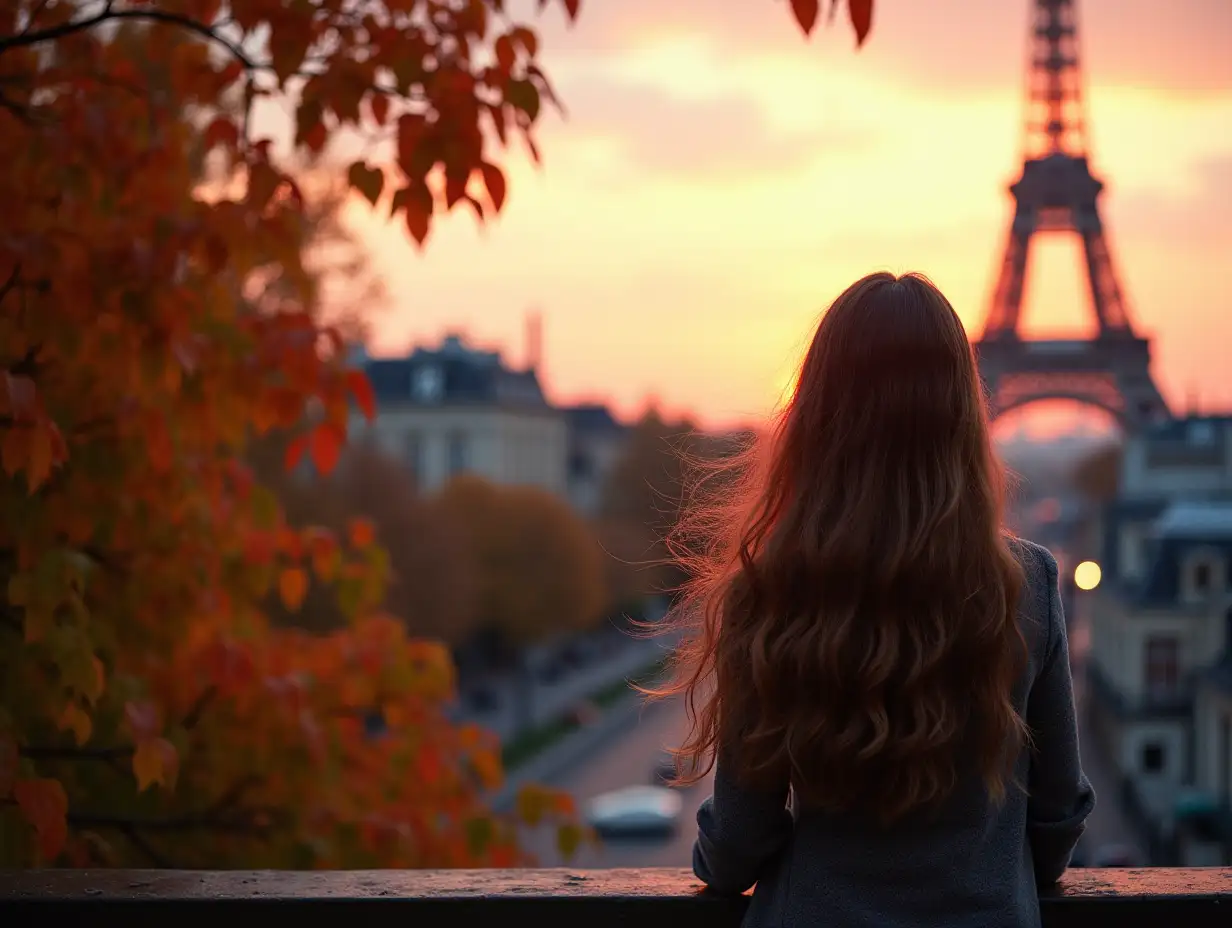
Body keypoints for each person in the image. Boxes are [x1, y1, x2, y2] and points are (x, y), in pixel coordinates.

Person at [652, 272, 1095, 928]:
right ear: (963, 412)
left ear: (820, 416)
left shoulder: (771, 590)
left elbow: (740, 842)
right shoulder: (1026, 583)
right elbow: (1058, 814)